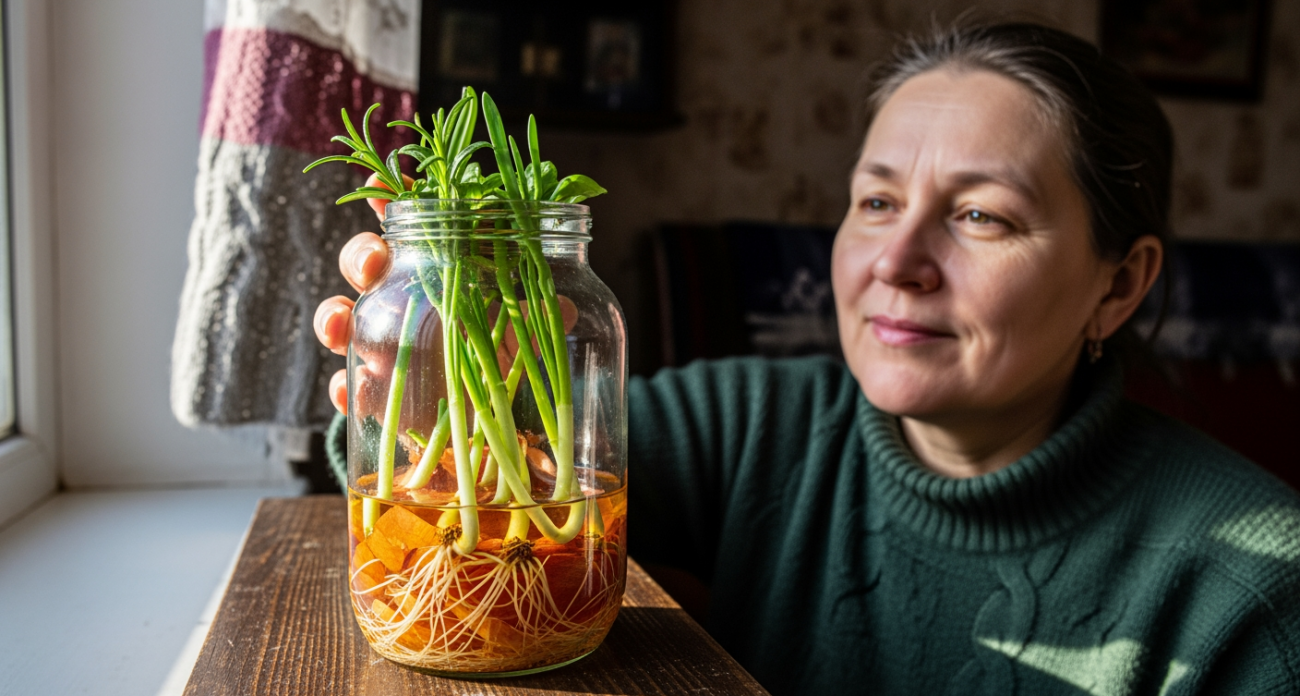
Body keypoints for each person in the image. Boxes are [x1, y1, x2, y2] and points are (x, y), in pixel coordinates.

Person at [313, 22, 1300, 695]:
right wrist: (413, 375)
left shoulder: (1253, 589)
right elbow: (451, 501)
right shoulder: (751, 424)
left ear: (1118, 286)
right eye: (875, 202)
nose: (897, 263)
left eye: (980, 216)